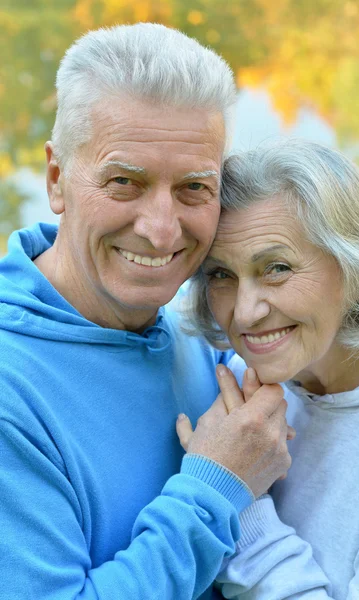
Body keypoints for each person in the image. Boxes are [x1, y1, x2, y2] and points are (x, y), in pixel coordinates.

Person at [0, 25, 294, 600]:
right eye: (124, 182)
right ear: (57, 179)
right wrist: (217, 488)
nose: (161, 232)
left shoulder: (195, 315)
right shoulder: (12, 391)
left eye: (192, 189)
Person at [183, 138, 359, 599]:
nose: (244, 314)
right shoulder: (248, 388)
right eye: (221, 274)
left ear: (357, 265)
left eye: (276, 268)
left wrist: (235, 499)